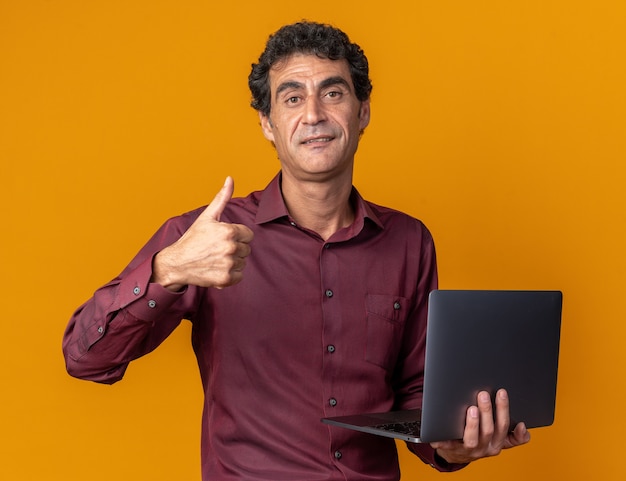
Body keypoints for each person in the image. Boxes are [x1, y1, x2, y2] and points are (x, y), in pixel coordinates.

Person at [62, 21, 530, 480]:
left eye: (333, 93)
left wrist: (454, 443)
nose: (313, 114)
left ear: (362, 112)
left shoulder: (409, 242)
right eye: (292, 98)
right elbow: (86, 359)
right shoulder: (208, 236)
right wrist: (167, 270)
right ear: (267, 123)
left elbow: (416, 397)